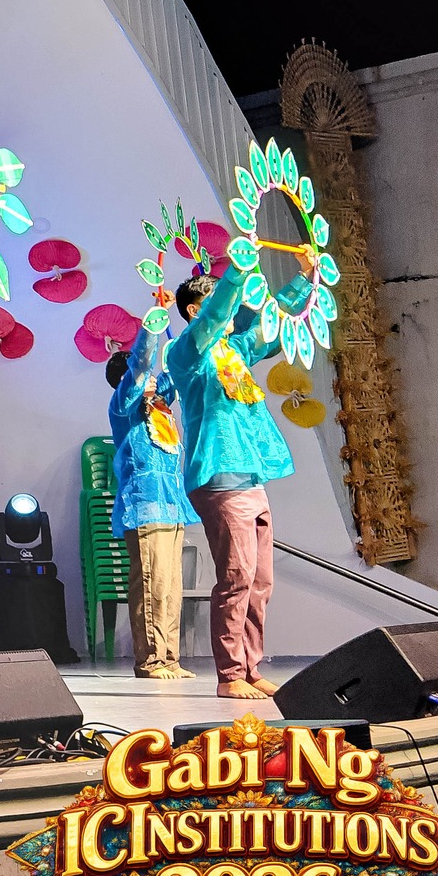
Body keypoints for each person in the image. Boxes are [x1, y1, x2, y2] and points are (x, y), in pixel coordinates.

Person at [168, 258, 315, 698]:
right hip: (219, 477)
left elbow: (268, 325)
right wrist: (236, 271)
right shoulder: (187, 353)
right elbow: (216, 317)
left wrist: (303, 278)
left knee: (260, 582)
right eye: (221, 303)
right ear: (195, 310)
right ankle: (229, 675)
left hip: (251, 476)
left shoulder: (233, 352)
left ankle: (251, 668)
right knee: (236, 577)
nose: (232, 310)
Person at [104, 312, 198, 679]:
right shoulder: (124, 406)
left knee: (171, 588)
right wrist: (153, 326)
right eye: (145, 376)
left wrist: (185, 323)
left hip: (172, 505)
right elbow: (142, 364)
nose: (153, 379)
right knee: (151, 586)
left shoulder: (160, 407)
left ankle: (169, 657)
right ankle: (151, 660)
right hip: (145, 504)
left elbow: (178, 365)